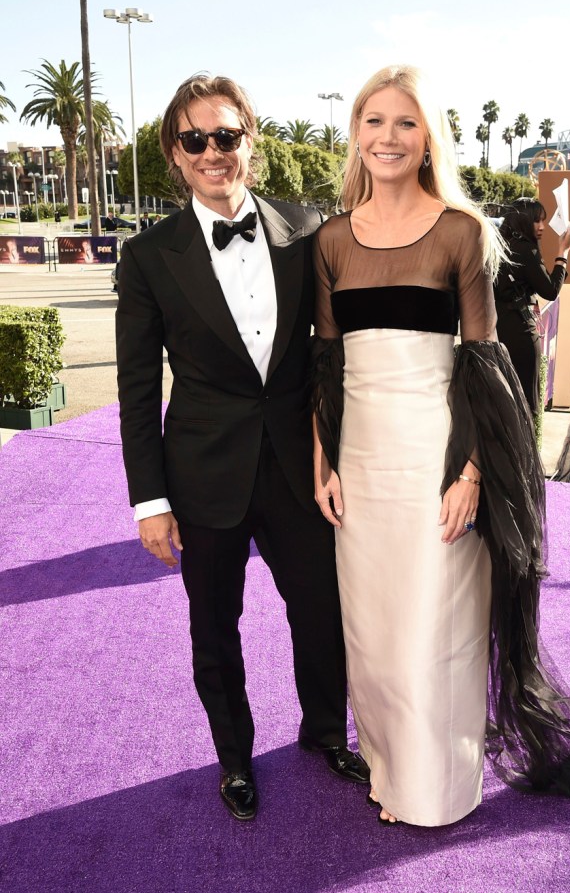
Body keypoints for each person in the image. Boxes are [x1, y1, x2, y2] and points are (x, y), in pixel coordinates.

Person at [312, 65, 570, 827]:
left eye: (405, 123)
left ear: (427, 138)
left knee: (438, 624)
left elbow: (483, 365)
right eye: (374, 121)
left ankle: (438, 785)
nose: (388, 137)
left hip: (439, 452)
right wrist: (324, 462)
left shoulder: (460, 231)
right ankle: (389, 769)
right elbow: (326, 363)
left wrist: (471, 469)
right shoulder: (331, 242)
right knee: (374, 629)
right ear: (357, 133)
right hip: (361, 465)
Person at [115, 74, 369, 823]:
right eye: (196, 139)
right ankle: (234, 758)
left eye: (227, 135)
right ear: (174, 151)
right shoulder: (149, 255)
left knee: (321, 611)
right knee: (213, 627)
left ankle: (325, 730)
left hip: (299, 468)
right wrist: (150, 500)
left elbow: (336, 354)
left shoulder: (308, 227)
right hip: (203, 475)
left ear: (250, 140)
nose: (213, 151)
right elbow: (136, 389)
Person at [494, 198, 570, 426]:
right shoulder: (526, 250)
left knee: (504, 398)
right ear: (522, 220)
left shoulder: (499, 245)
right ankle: (526, 455)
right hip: (520, 331)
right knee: (527, 401)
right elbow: (550, 290)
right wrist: (563, 252)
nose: (541, 226)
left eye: (543, 220)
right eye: (536, 220)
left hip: (496, 328)